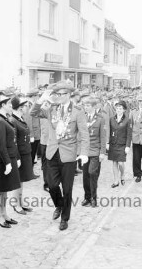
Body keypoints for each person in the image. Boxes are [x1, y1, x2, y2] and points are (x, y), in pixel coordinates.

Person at [30, 81, 89, 231]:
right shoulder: (52, 108)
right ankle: (59, 204)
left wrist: (83, 153)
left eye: (62, 94)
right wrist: (42, 99)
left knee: (67, 188)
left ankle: (65, 218)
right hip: (52, 152)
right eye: (58, 94)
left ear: (69, 95)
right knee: (51, 185)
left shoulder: (77, 111)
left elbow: (84, 133)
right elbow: (33, 113)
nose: (59, 97)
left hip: (68, 155)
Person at [0, 91, 21, 228]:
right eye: (9, 104)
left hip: (7, 158)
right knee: (0, 189)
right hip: (2, 160)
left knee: (5, 189)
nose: (11, 106)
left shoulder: (3, 119)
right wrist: (8, 162)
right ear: (3, 105)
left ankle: (4, 213)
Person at [10, 96, 34, 215]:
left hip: (25, 153)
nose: (27, 108)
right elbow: (13, 142)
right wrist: (17, 158)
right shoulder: (13, 120)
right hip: (19, 154)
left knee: (22, 180)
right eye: (25, 106)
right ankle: (16, 204)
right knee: (17, 180)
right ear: (20, 107)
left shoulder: (20, 118)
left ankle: (20, 201)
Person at [81, 97, 106, 207]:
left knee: (92, 173)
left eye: (88, 106)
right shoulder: (82, 118)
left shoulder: (100, 118)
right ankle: (87, 197)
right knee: (85, 175)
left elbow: (103, 137)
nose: (86, 107)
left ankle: (93, 197)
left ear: (93, 106)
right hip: (85, 151)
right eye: (85, 105)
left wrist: (102, 152)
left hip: (95, 150)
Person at [107, 100, 132, 188]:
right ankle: (116, 181)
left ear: (124, 110)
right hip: (113, 144)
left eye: (120, 108)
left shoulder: (127, 120)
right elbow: (109, 132)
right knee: (114, 162)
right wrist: (107, 143)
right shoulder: (111, 119)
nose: (118, 110)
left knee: (121, 163)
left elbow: (129, 134)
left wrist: (128, 146)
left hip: (122, 144)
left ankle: (122, 175)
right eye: (117, 108)